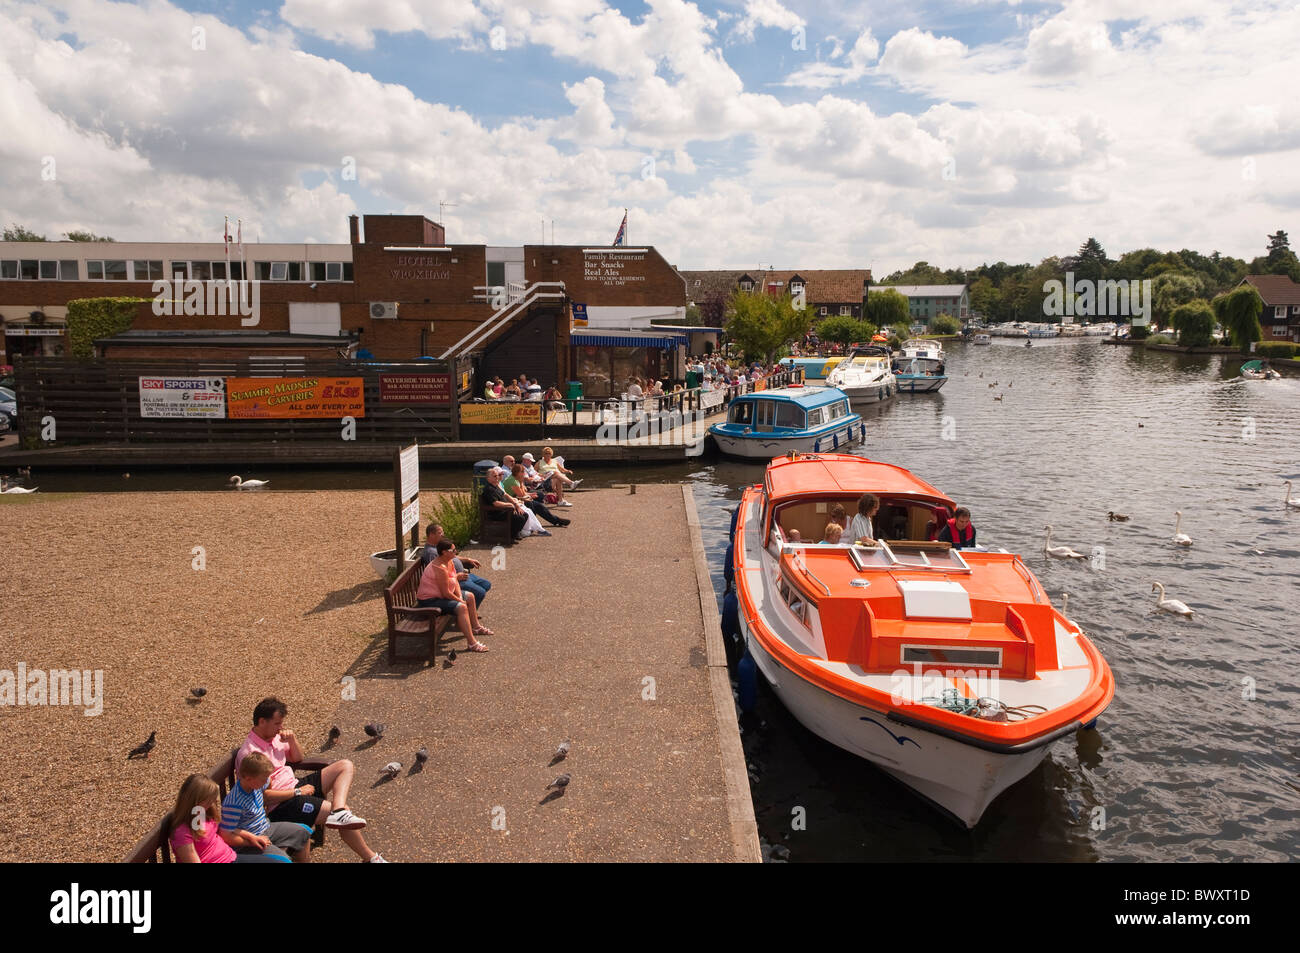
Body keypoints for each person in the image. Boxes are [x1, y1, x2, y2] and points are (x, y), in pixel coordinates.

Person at [236, 697, 387, 862]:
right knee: (342, 815)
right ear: (262, 721)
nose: (281, 727)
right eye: (277, 723)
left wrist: (292, 740)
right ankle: (371, 858)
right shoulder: (249, 754)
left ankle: (339, 811)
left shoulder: (274, 738)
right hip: (282, 804)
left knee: (345, 766)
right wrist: (297, 792)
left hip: (295, 786)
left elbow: (298, 758)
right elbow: (262, 796)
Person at [168, 774, 283, 864]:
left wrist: (252, 837)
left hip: (230, 857)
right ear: (196, 800)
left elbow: (225, 829)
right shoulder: (181, 832)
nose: (212, 803)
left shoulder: (202, 814)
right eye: (208, 800)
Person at [221, 751, 312, 862]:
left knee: (304, 832)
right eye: (263, 779)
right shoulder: (234, 802)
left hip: (265, 826)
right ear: (249, 778)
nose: (266, 780)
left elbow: (268, 782)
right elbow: (226, 836)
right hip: (249, 842)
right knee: (283, 860)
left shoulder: (258, 782)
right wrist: (252, 841)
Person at [419, 540, 491, 651]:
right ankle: (472, 643)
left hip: (441, 596)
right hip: (430, 600)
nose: (455, 552)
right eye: (453, 550)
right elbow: (445, 593)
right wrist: (460, 601)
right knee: (461, 607)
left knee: (470, 596)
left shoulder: (449, 561)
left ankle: (476, 627)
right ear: (444, 552)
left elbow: (455, 580)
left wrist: (460, 597)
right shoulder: (439, 568)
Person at [423, 522, 490, 608]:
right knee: (481, 592)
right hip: (456, 581)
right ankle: (469, 613)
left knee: (486, 584)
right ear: (431, 535)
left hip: (461, 576)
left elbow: (453, 556)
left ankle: (470, 610)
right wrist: (456, 577)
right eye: (440, 533)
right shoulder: (431, 553)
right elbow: (438, 575)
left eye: (442, 532)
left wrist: (467, 559)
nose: (443, 535)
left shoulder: (438, 546)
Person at [505, 463, 570, 527]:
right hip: (512, 501)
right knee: (533, 505)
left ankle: (556, 520)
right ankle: (534, 524)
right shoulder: (513, 481)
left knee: (539, 506)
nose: (524, 473)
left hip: (517, 499)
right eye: (522, 472)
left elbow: (523, 493)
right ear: (517, 472)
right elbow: (522, 495)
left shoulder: (515, 479)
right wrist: (522, 483)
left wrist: (530, 494)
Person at [481, 466, 529, 539]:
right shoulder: (489, 489)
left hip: (505, 510)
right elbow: (496, 503)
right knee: (519, 518)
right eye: (494, 476)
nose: (497, 477)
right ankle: (510, 536)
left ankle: (514, 533)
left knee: (525, 515)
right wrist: (510, 505)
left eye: (497, 475)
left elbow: (505, 495)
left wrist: (516, 504)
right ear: (488, 479)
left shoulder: (496, 486)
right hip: (496, 513)